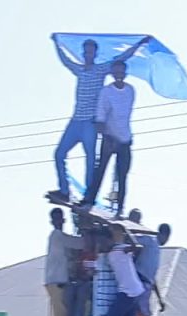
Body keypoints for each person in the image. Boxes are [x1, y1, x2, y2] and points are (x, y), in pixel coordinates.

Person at [53, 36, 149, 196]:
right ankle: (64, 190)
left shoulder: (100, 70)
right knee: (59, 154)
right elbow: (65, 61)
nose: (88, 55)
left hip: (90, 122)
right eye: (86, 52)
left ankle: (88, 196)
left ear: (95, 54)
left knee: (91, 159)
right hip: (76, 120)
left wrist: (139, 44)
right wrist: (56, 43)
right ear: (83, 54)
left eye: (91, 52)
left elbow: (121, 58)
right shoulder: (79, 70)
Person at [81, 60, 139, 214]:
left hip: (125, 139)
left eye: (121, 71)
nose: (118, 75)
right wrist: (106, 135)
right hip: (109, 138)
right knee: (100, 170)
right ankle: (89, 200)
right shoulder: (106, 92)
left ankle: (120, 208)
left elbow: (124, 115)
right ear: (112, 73)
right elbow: (100, 116)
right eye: (116, 72)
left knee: (122, 175)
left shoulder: (130, 90)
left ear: (125, 73)